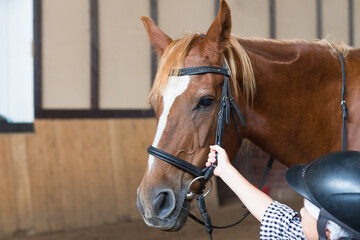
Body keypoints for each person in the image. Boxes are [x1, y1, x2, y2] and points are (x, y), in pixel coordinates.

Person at [206, 145, 360, 240]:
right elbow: (273, 215)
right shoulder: (309, 235)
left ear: (327, 232)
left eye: (307, 211)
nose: (300, 211)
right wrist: (225, 170)